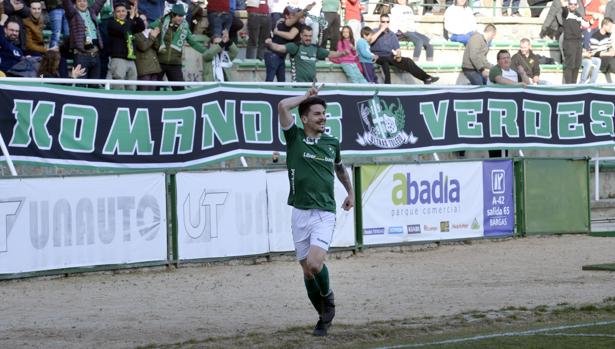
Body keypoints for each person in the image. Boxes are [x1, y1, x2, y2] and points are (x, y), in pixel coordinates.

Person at [277, 83, 354, 337]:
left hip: (324, 212)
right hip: (299, 212)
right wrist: (306, 96)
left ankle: (328, 299)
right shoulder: (295, 137)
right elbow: (281, 106)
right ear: (304, 118)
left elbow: (340, 168)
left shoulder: (331, 142)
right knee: (306, 271)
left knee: (314, 263)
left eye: (324, 114)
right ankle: (323, 317)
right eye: (318, 113)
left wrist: (350, 192)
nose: (323, 118)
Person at [369, 14, 439, 85]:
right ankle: (387, 84)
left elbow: (397, 49)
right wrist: (381, 30)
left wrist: (399, 55)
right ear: (380, 22)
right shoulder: (374, 31)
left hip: (389, 56)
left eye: (387, 22)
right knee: (385, 61)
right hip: (378, 56)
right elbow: (370, 40)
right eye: (383, 21)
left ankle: (426, 78)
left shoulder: (392, 34)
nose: (385, 23)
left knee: (408, 61)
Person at [150, 3, 207, 90]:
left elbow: (193, 43)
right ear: (173, 15)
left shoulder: (185, 27)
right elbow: (148, 29)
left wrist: (207, 52)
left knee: (180, 89)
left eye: (183, 16)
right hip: (159, 62)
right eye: (179, 16)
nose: (182, 18)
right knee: (154, 89)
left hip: (175, 64)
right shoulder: (161, 22)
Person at [265, 25, 349, 82]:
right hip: (298, 86)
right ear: (301, 35)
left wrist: (342, 53)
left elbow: (330, 54)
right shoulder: (295, 46)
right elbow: (279, 48)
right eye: (306, 36)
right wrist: (270, 44)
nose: (308, 38)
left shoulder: (315, 48)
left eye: (310, 36)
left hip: (312, 86)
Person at [63, 0, 108, 81]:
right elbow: (66, 2)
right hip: (81, 56)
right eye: (79, 1)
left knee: (94, 87)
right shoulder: (72, 14)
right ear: (75, 3)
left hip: (96, 55)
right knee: (81, 86)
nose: (82, 3)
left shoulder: (92, 11)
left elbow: (100, 2)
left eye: (84, 1)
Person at [106, 1, 145, 90]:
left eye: (123, 11)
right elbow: (123, 30)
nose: (121, 13)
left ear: (126, 12)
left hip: (131, 59)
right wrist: (131, 18)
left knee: (132, 87)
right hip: (118, 59)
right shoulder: (111, 23)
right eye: (118, 11)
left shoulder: (129, 23)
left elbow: (141, 27)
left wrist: (136, 15)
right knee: (118, 87)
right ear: (114, 13)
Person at [264, 5, 300, 82]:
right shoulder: (283, 24)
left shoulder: (283, 22)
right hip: (273, 55)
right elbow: (290, 36)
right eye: (292, 15)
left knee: (281, 81)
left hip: (279, 56)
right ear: (286, 16)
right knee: (270, 80)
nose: (294, 17)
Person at [134, 14, 162, 90]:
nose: (144, 22)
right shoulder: (136, 34)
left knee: (152, 95)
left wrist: (155, 35)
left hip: (154, 68)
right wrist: (152, 36)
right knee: (144, 94)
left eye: (145, 20)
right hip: (144, 70)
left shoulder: (149, 32)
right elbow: (143, 47)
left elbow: (157, 47)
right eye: (141, 20)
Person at [562, 0, 586, 83]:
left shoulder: (578, 15)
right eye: (570, 4)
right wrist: (565, 5)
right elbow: (564, 8)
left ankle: (574, 84)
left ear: (577, 5)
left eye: (574, 4)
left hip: (578, 42)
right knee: (570, 65)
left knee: (577, 65)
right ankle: (569, 86)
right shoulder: (566, 13)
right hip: (569, 42)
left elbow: (585, 24)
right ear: (568, 5)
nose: (572, 5)